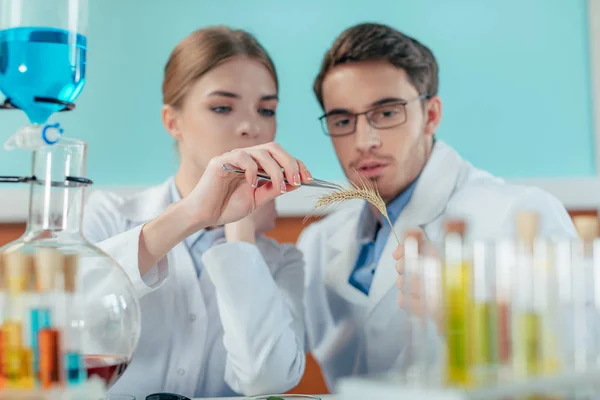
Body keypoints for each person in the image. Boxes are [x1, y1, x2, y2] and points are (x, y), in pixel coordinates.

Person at [297, 22, 577, 390]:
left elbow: (575, 374)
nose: (364, 141)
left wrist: (459, 312)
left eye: (386, 113)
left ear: (430, 115)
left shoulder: (522, 215)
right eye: (343, 120)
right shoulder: (318, 241)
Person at [82, 27, 312, 399]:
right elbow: (60, 312)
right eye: (222, 106)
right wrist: (190, 215)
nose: (251, 127)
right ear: (172, 121)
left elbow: (265, 380)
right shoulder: (109, 216)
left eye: (266, 110)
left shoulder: (283, 260)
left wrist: (241, 230)